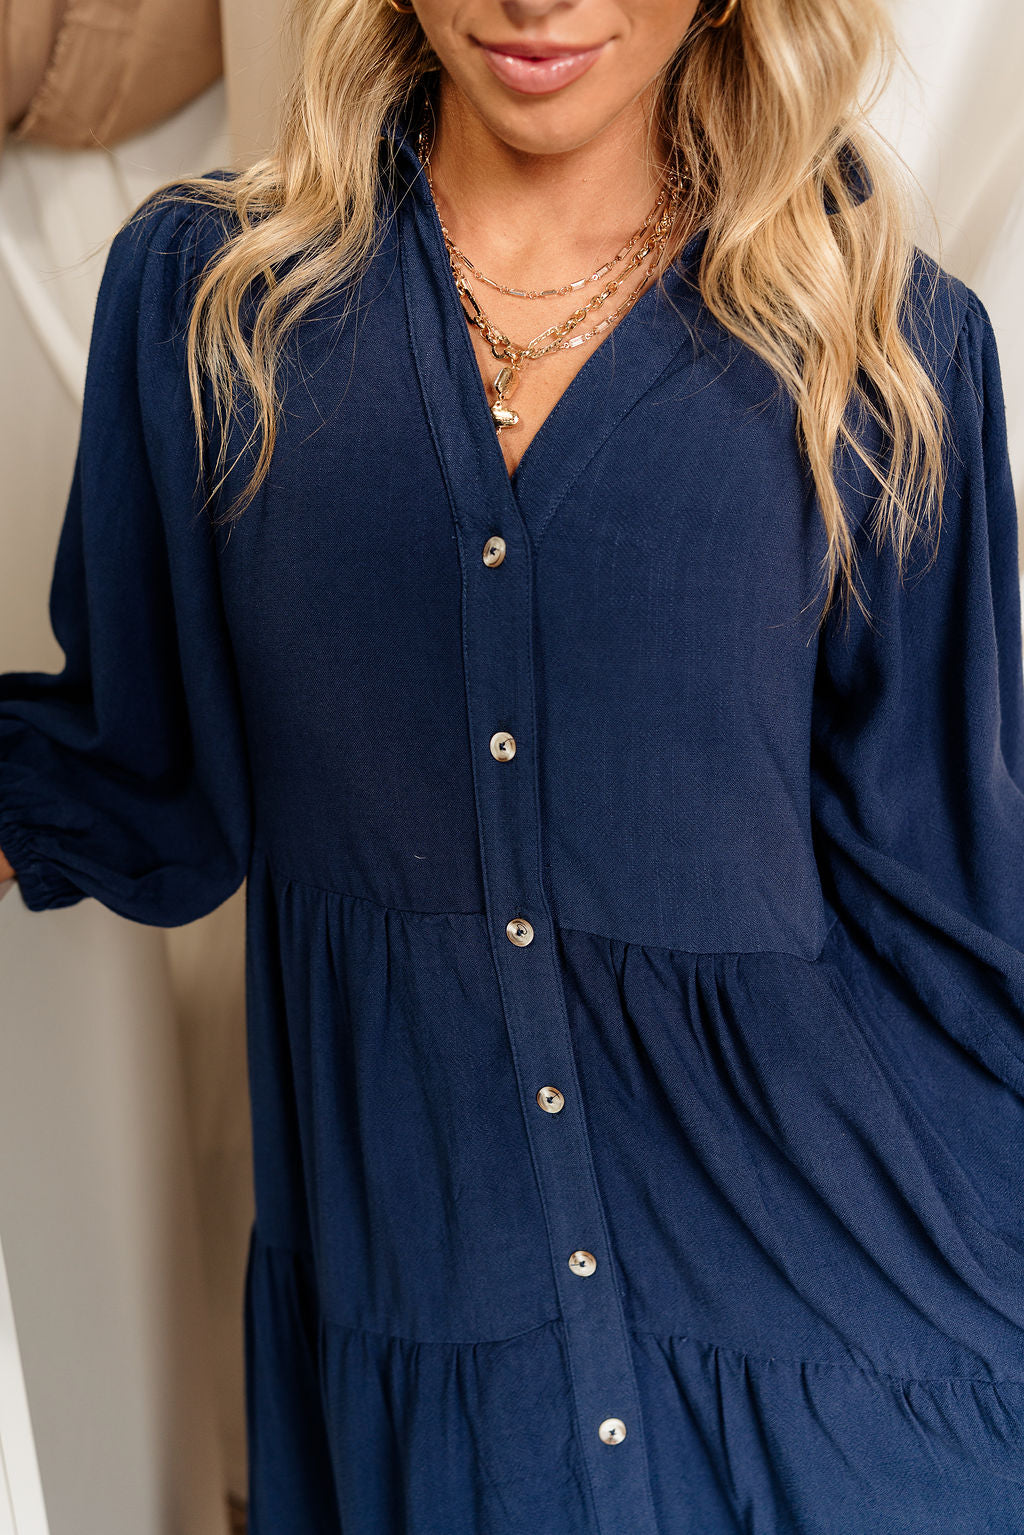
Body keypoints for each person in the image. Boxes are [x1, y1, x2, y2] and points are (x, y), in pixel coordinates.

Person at [1, 0, 1023, 1527]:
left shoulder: (885, 338)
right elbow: (151, 782)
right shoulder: (214, 303)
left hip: (854, 1392)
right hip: (440, 1362)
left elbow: (951, 899)